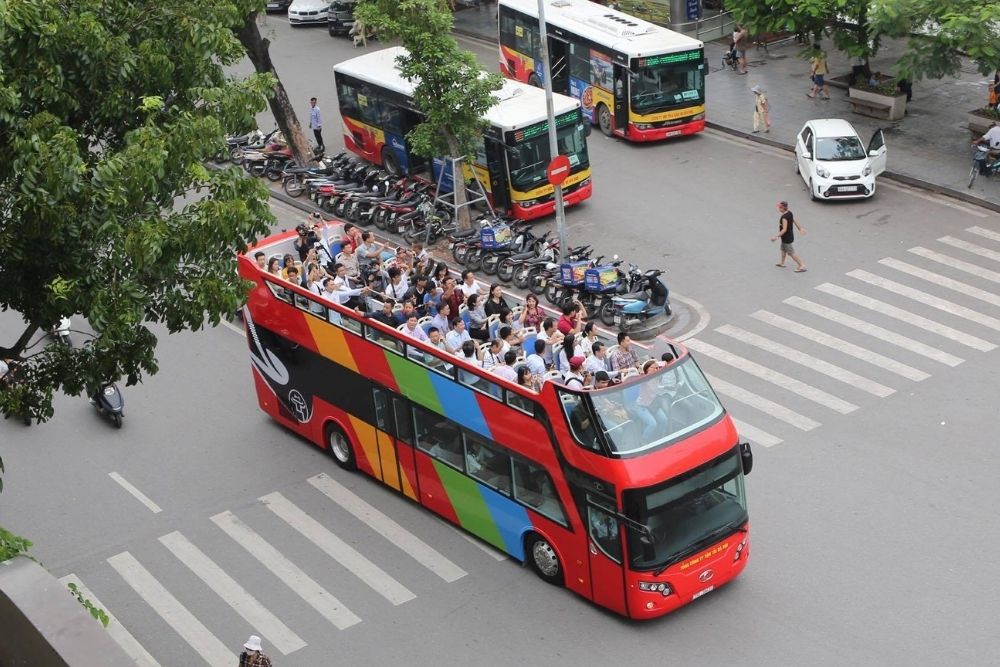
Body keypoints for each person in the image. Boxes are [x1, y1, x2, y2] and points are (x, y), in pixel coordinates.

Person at [771, 201, 807, 272]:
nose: (778, 209)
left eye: (779, 208)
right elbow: (794, 220)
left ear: (782, 208)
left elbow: (784, 229)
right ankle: (782, 263)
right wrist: (800, 228)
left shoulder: (784, 217)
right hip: (788, 236)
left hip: (786, 237)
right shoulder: (789, 213)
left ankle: (802, 265)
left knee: (791, 253)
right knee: (783, 249)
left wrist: (776, 237)